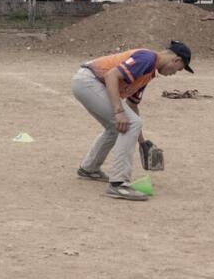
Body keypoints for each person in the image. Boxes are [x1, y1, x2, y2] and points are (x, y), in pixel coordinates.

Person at [71, 41, 193, 201]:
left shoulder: (149, 71)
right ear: (175, 60)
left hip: (87, 82)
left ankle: (89, 168)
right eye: (179, 69)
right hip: (89, 82)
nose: (175, 73)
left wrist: (143, 142)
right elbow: (111, 76)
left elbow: (132, 105)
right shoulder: (147, 58)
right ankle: (118, 184)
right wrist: (118, 111)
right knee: (129, 122)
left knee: (118, 126)